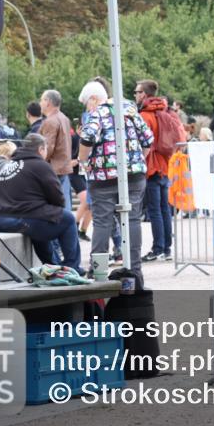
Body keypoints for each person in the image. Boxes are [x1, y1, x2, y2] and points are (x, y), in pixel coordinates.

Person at [77, 80, 154, 282]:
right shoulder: (129, 109)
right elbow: (148, 139)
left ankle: (99, 271)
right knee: (133, 220)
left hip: (103, 178)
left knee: (102, 221)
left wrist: (83, 160)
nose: (87, 108)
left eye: (86, 103)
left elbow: (87, 137)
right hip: (134, 175)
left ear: (93, 99)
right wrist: (136, 160)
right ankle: (135, 270)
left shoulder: (98, 113)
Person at [0, 134, 83, 272]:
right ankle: (72, 267)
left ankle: (52, 266)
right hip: (18, 218)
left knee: (40, 219)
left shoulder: (10, 164)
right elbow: (58, 199)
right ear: (41, 149)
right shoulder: (40, 165)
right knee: (68, 219)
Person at [136, 79, 178, 262]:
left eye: (137, 92)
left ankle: (158, 248)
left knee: (154, 210)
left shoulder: (146, 115)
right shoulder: (164, 111)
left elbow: (143, 141)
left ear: (144, 94)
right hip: (164, 165)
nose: (135, 95)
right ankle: (166, 248)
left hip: (151, 166)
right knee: (164, 209)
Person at [39, 89, 73, 208]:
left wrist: (37, 161)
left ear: (48, 102)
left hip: (53, 169)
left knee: (55, 206)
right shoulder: (64, 118)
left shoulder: (50, 121)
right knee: (65, 203)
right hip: (64, 167)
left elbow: (48, 148)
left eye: (41, 100)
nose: (40, 103)